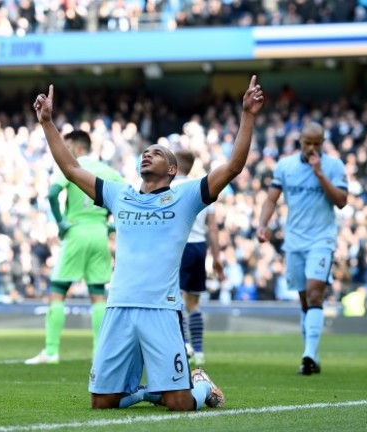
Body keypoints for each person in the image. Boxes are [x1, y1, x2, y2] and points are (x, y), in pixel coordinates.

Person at [33, 76, 264, 411]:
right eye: (145, 152)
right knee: (102, 402)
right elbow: (70, 168)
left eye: (156, 153)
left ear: (172, 169)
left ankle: (199, 385)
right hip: (119, 306)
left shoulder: (185, 195)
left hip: (161, 308)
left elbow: (233, 167)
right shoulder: (120, 195)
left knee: (181, 404)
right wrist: (47, 123)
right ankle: (147, 392)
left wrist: (248, 115)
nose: (147, 155)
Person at [257, 122, 348, 375]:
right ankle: (313, 355)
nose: (311, 148)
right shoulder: (285, 166)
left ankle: (307, 355)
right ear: (300, 141)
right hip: (294, 241)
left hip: (322, 240)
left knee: (315, 293)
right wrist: (262, 224)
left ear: (323, 142)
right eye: (307, 143)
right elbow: (272, 198)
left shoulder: (334, 166)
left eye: (316, 144)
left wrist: (320, 174)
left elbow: (341, 201)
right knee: (305, 299)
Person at [25, 130, 124, 365]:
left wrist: (60, 222)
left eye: (68, 146)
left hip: (76, 231)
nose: (66, 150)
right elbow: (128, 195)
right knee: (97, 294)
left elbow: (51, 193)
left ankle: (51, 351)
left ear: (78, 148)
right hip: (99, 233)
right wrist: (111, 226)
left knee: (57, 291)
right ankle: (99, 353)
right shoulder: (108, 171)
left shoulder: (73, 167)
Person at [173, 149, 224, 367]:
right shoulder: (202, 188)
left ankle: (184, 344)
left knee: (176, 299)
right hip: (199, 248)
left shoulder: (168, 189)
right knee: (193, 302)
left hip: (179, 247)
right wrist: (216, 257)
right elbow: (212, 227)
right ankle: (200, 351)